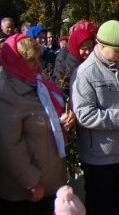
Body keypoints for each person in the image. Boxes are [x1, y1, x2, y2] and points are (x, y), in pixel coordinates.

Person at [70, 20, 119, 215]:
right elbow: (84, 116)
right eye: (118, 52)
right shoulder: (85, 74)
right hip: (99, 158)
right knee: (101, 206)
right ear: (101, 45)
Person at [0, 34, 73, 215]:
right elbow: (10, 145)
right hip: (27, 188)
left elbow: (60, 102)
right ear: (15, 61)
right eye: (30, 60)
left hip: (50, 178)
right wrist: (31, 180)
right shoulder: (6, 93)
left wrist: (69, 114)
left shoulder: (40, 80)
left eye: (37, 59)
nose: (36, 64)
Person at [53, 29, 95, 94]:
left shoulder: (94, 64)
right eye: (84, 48)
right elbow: (60, 92)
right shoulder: (63, 68)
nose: (88, 52)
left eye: (90, 48)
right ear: (75, 47)